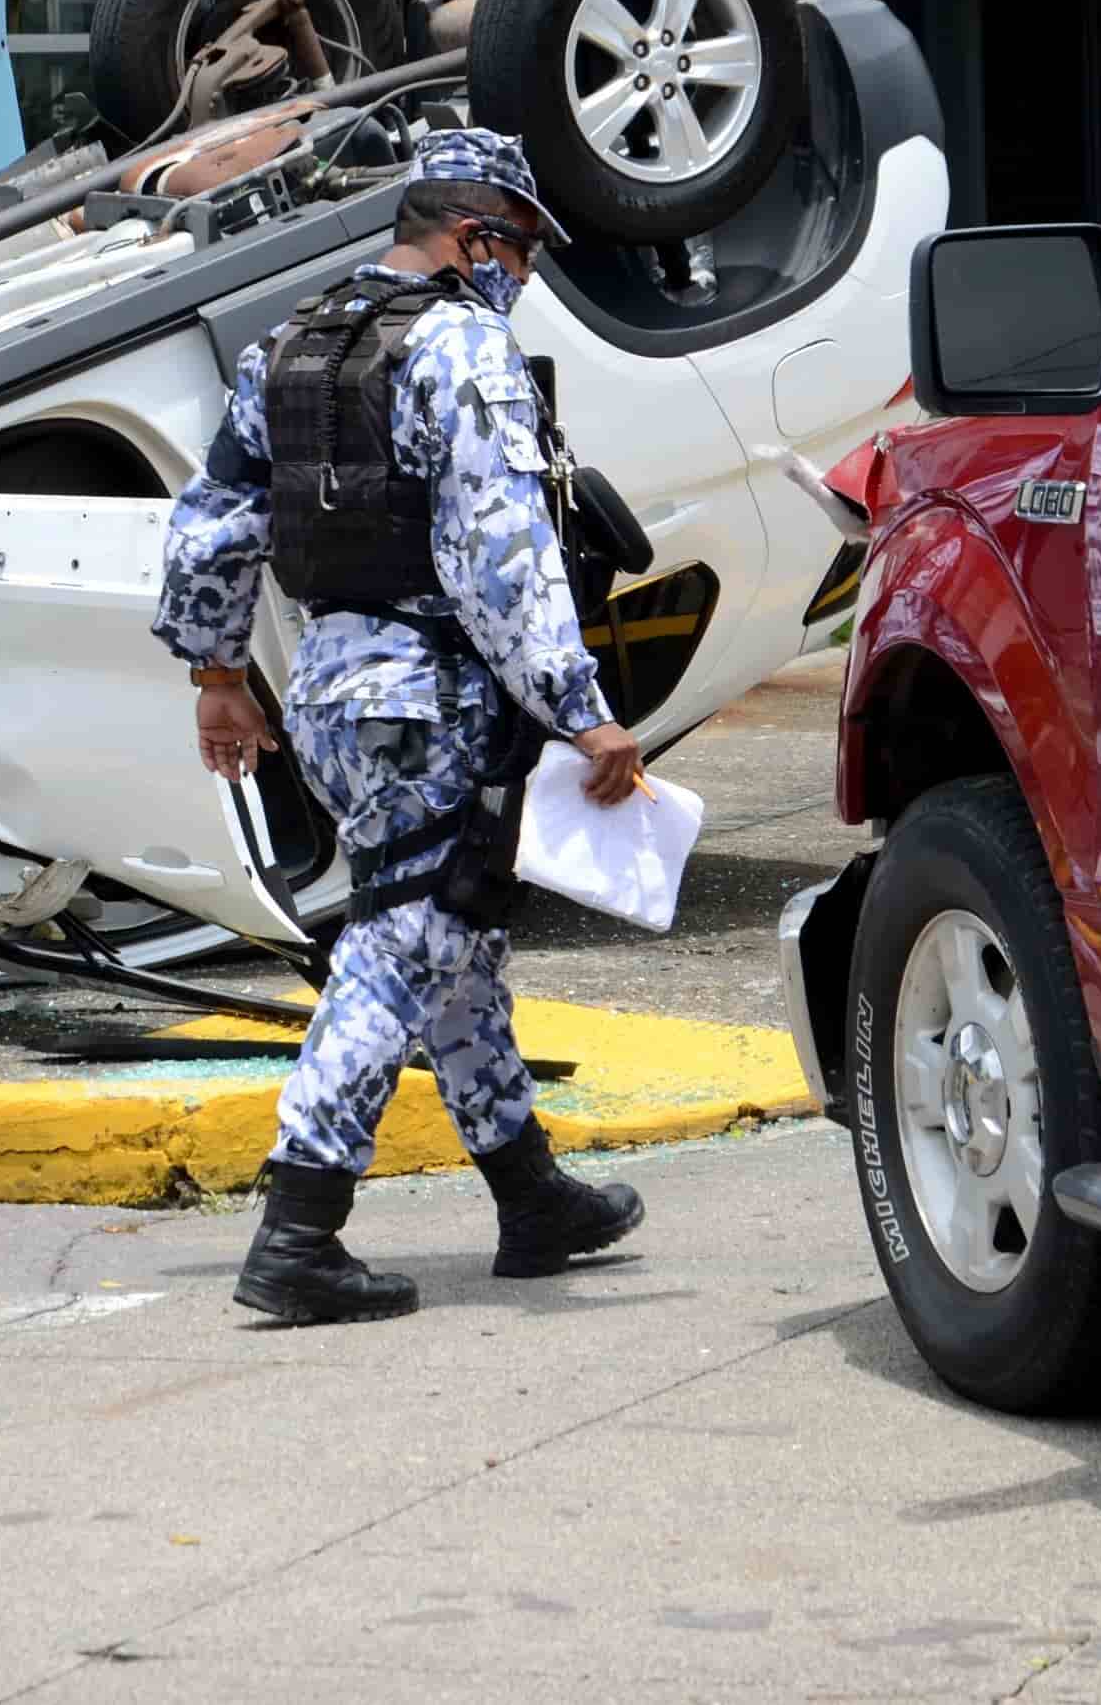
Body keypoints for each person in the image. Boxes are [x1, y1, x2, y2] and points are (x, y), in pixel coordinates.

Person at [154, 127, 649, 1326]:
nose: (525, 275)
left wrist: (221, 672)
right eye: (521, 247)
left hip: (331, 688)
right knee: (395, 947)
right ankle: (299, 1229)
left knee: (450, 942)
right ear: (474, 234)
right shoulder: (465, 347)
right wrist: (584, 714)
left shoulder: (291, 345)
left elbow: (212, 519)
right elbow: (502, 556)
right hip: (428, 695)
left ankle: (531, 1196)